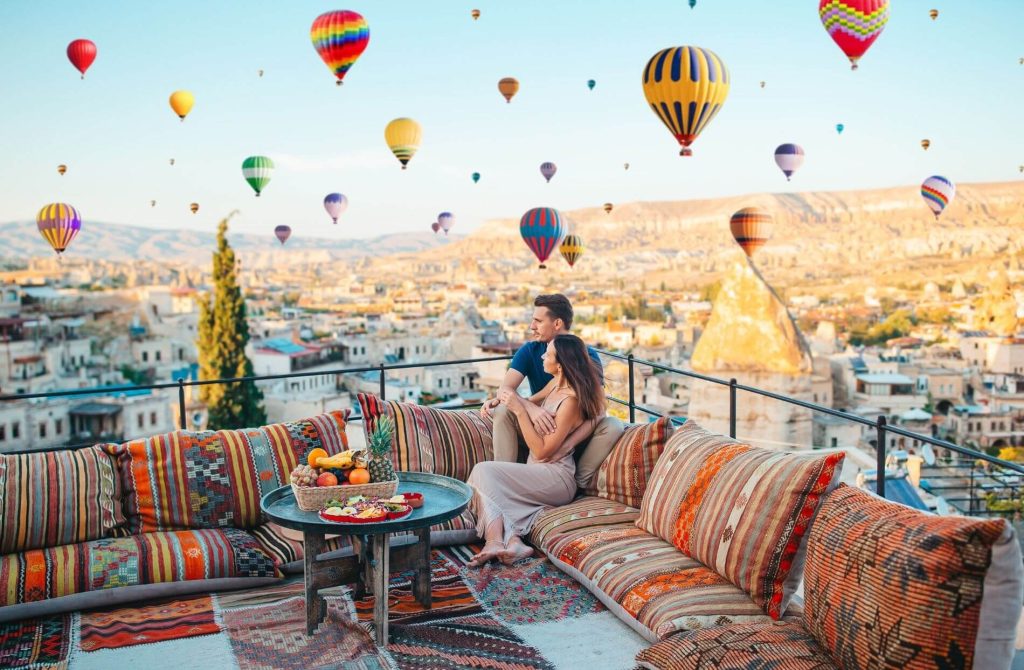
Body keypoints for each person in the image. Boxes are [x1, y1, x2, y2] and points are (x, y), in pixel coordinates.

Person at [466, 334, 605, 567]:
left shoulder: (570, 401)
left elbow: (542, 452)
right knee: (494, 488)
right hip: (537, 472)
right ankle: (514, 543)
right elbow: (527, 401)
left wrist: (521, 411)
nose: (542, 356)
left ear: (560, 365)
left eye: (548, 354)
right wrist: (505, 402)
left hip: (557, 478)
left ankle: (493, 542)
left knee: (483, 472)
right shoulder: (555, 385)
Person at [480, 294, 623, 489]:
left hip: (575, 430)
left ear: (557, 323)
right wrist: (532, 409)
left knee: (614, 425)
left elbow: (598, 409)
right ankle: (504, 475)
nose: (532, 326)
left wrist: (568, 444)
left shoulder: (585, 354)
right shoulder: (530, 350)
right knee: (503, 411)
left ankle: (580, 484)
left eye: (538, 321)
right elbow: (506, 389)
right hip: (543, 428)